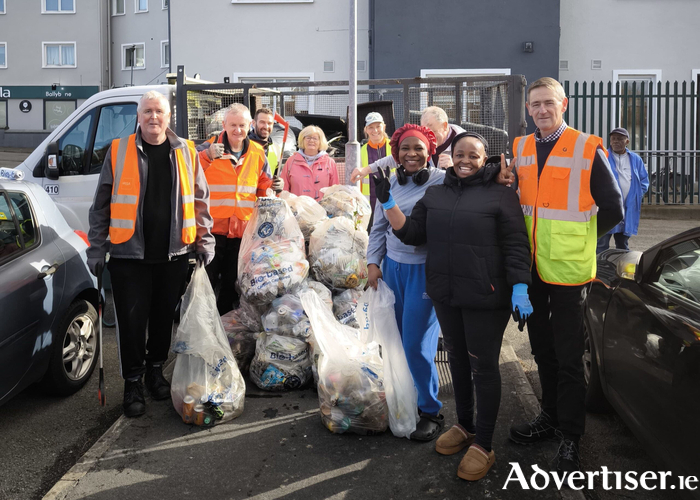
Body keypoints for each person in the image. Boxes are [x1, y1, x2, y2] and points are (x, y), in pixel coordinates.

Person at [373, 131, 533, 481]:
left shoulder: (502, 195)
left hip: (485, 297)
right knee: (458, 362)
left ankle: (484, 444)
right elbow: (413, 234)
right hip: (446, 294)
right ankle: (465, 425)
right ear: (450, 156)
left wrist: (520, 287)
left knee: (484, 367)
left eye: (473, 156)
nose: (464, 161)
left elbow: (517, 245)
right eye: (459, 154)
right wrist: (388, 203)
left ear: (484, 158)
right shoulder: (436, 193)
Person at [498, 77, 623, 475]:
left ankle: (570, 437)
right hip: (532, 272)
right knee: (542, 351)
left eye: (547, 103)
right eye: (534, 104)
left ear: (563, 104)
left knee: (570, 358)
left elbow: (614, 207)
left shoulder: (588, 147)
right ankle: (549, 418)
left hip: (569, 272)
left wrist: (581, 240)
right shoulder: (520, 147)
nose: (540, 110)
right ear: (528, 109)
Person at [87, 91, 215, 418]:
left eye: (159, 111)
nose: (153, 117)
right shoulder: (118, 151)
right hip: (129, 257)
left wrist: (204, 240)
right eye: (147, 111)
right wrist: (97, 248)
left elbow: (200, 201)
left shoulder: (186, 151)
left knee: (161, 320)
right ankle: (133, 382)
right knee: (131, 324)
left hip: (173, 254)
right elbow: (101, 207)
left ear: (169, 116)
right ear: (139, 116)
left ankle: (155, 371)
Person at [366, 124, 446, 443]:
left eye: (419, 149)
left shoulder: (441, 182)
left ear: (431, 152)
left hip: (425, 270)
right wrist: (373, 262)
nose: (411, 154)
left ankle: (430, 410)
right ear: (395, 152)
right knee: (394, 341)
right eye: (405, 149)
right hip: (392, 269)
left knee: (416, 343)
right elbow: (378, 227)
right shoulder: (389, 183)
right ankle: (404, 398)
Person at [198, 103, 283, 315]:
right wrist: (206, 156)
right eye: (233, 125)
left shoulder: (257, 153)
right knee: (205, 285)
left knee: (232, 285)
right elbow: (187, 174)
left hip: (241, 233)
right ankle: (204, 328)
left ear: (250, 125)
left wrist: (274, 187)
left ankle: (225, 328)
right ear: (224, 124)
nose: (238, 130)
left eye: (242, 125)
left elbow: (262, 188)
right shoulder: (207, 149)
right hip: (211, 232)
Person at [349, 106, 465, 183]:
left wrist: (454, 168)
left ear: (445, 126)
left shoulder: (465, 144)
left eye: (433, 132)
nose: (430, 138)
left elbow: (474, 175)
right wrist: (366, 170)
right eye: (426, 132)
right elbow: (396, 158)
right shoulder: (425, 142)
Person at [596, 127, 649, 252]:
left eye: (620, 139)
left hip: (627, 208)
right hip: (607, 208)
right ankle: (600, 270)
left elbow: (644, 181)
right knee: (601, 244)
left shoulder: (635, 159)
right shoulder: (603, 156)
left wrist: (636, 195)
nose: (616, 141)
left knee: (623, 244)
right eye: (613, 139)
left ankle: (621, 270)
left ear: (627, 141)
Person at [280, 125, 339, 200]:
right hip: (297, 209)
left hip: (322, 210)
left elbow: (335, 191)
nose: (311, 141)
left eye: (315, 138)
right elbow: (283, 189)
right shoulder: (291, 161)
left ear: (320, 142)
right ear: (302, 140)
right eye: (308, 138)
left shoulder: (330, 163)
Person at [360, 112, 391, 226]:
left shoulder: (394, 147)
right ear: (366, 130)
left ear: (384, 127)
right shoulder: (361, 151)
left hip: (393, 200)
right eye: (371, 127)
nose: (375, 130)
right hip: (369, 204)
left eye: (378, 126)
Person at [248, 107, 282, 176]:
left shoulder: (277, 149)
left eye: (269, 123)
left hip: (267, 186)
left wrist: (279, 181)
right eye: (262, 122)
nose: (266, 126)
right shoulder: (244, 145)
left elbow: (276, 173)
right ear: (253, 123)